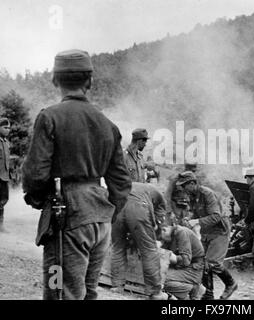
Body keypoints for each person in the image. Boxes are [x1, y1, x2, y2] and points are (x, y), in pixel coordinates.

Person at [22, 49, 131, 300]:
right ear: (90, 81)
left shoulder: (50, 117)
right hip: (100, 220)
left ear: (54, 80)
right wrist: (106, 212)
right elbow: (122, 183)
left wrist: (39, 200)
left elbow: (35, 173)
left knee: (60, 292)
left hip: (66, 217)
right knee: (88, 291)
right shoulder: (108, 125)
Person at [176, 171, 237, 300]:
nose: (182, 188)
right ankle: (208, 296)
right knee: (202, 261)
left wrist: (196, 221)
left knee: (212, 262)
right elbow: (194, 212)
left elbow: (216, 216)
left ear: (192, 183)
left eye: (184, 185)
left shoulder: (207, 194)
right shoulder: (191, 195)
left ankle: (231, 283)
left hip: (219, 231)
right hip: (207, 231)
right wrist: (188, 218)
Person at [111, 182, 168, 299]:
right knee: (149, 250)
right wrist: (156, 231)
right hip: (137, 207)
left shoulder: (139, 186)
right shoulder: (159, 195)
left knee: (117, 247)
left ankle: (117, 286)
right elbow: (159, 218)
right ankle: (155, 292)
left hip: (116, 208)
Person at [159, 224, 205, 299]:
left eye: (160, 237)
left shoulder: (181, 233)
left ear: (164, 230)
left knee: (160, 279)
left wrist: (169, 256)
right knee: (155, 275)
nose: (161, 240)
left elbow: (185, 260)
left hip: (193, 269)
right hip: (182, 268)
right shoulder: (170, 236)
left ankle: (193, 288)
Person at [0, 118, 11, 233]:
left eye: (8, 128)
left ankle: (0, 225)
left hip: (4, 177)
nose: (8, 130)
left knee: (3, 200)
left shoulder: (6, 143)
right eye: (5, 127)